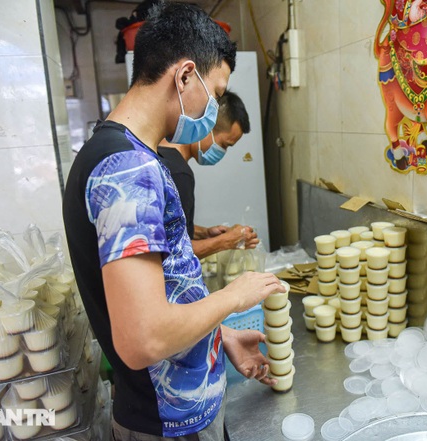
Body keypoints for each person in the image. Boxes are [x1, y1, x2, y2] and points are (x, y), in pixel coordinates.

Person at [62, 3, 285, 440]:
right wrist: (234, 298)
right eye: (216, 93)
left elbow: (163, 292)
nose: (215, 106)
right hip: (166, 424)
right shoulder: (128, 170)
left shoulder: (126, 154)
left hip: (178, 409)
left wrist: (217, 338)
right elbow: (143, 338)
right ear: (184, 77)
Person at [158, 91, 258, 259]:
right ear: (206, 126)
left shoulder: (160, 154)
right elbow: (175, 252)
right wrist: (227, 241)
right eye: (224, 145)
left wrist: (204, 233)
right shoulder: (178, 173)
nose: (222, 153)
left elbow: (165, 228)